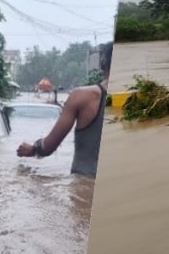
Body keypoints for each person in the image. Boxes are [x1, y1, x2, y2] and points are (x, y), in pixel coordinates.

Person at [16, 43, 112, 178]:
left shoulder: (81, 96)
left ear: (102, 63)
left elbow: (48, 146)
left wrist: (32, 149)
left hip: (85, 183)